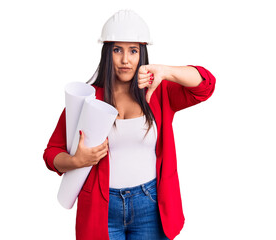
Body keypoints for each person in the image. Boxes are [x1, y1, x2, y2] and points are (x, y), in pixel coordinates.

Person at [43, 10, 215, 240]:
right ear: (107, 54)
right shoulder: (88, 99)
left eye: (133, 50)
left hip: (150, 204)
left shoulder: (159, 92)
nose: (125, 60)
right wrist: (76, 161)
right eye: (117, 50)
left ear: (142, 54)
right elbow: (51, 153)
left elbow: (205, 86)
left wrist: (166, 71)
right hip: (101, 208)